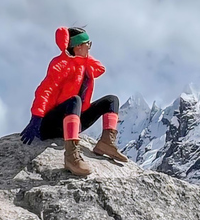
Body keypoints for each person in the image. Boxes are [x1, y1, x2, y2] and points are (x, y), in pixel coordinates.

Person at [20, 27, 128, 176]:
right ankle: (71, 157)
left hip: (72, 121)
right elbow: (45, 91)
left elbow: (100, 69)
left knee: (111, 100)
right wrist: (36, 117)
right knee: (75, 100)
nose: (89, 47)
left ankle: (106, 144)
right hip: (50, 124)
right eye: (87, 44)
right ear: (78, 46)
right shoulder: (60, 64)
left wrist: (80, 57)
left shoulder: (83, 64)